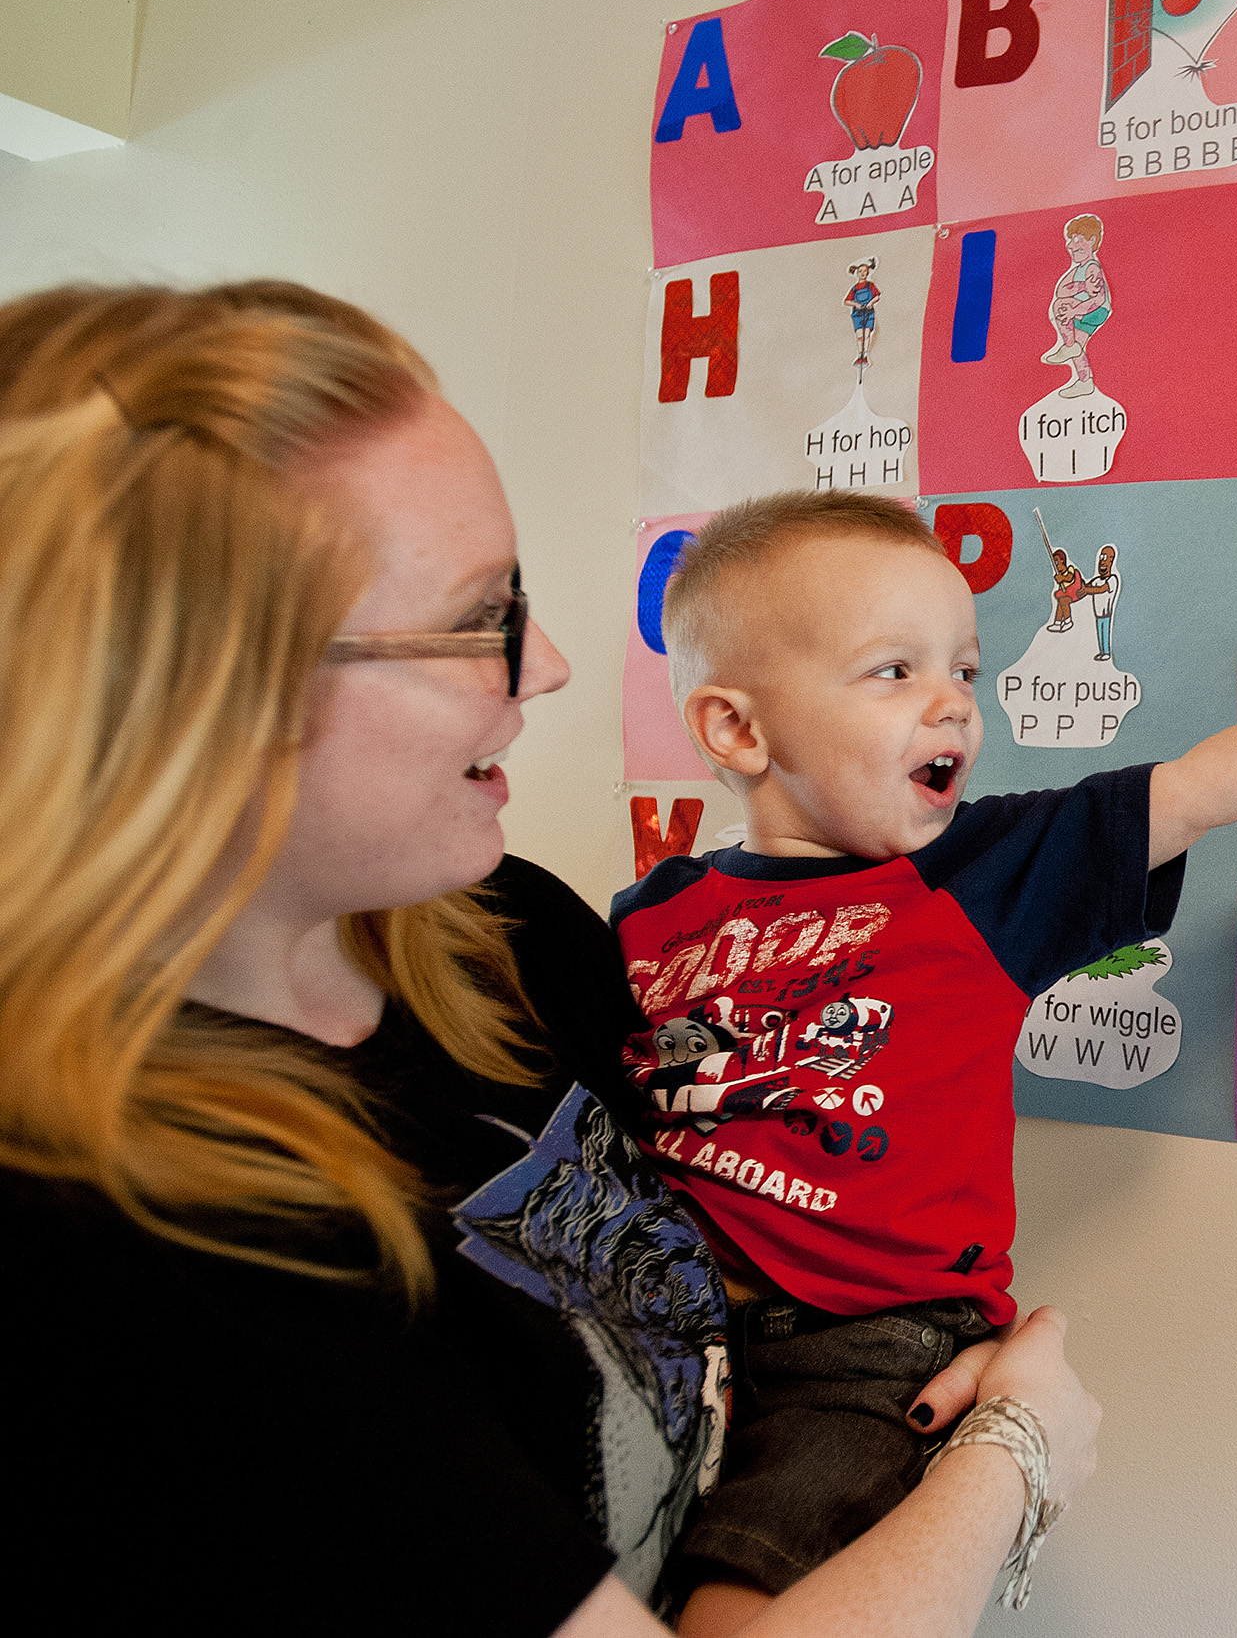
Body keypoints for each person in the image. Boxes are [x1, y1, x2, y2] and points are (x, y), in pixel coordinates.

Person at [0, 282, 1099, 1638]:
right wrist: (1015, 1456)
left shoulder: (510, 933)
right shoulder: (144, 1263)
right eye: (480, 619)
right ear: (208, 694)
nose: (552, 664)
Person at [623, 488, 1237, 1626]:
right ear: (737, 731)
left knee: (731, 1608)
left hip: (870, 1354)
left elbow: (1199, 789)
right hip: (672, 1322)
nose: (953, 702)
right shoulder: (649, 916)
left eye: (963, 668)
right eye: (893, 671)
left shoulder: (980, 870)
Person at [1040, 213, 1112, 401]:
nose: (1071, 245)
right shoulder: (1077, 270)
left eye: (1078, 240)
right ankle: (1085, 382)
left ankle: (1069, 346)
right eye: (1071, 240)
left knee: (1060, 305)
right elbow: (1061, 290)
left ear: (1092, 241)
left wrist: (1074, 310)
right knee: (1078, 345)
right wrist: (1082, 286)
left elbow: (1098, 299)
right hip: (1084, 312)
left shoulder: (1092, 267)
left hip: (1094, 312)